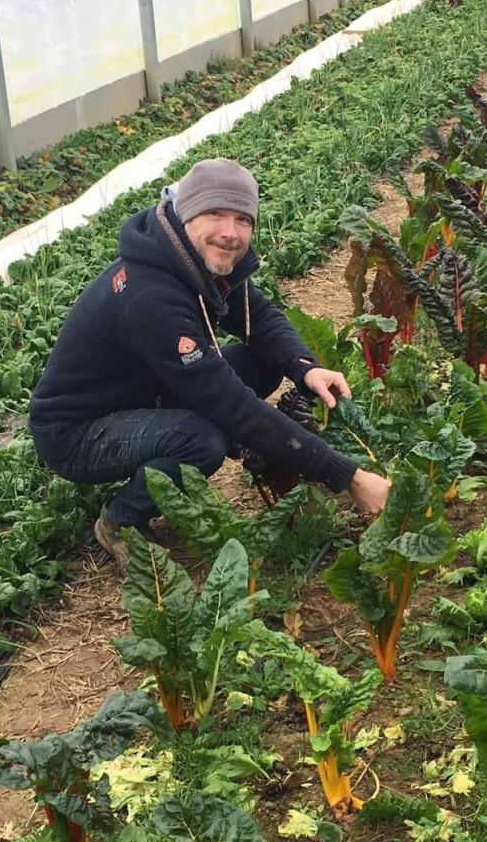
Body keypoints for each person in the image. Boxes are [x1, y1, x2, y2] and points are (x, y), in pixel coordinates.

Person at [29, 157, 391, 570]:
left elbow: (260, 315)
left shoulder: (190, 257)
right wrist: (350, 477)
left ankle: (161, 452)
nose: (230, 233)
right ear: (186, 214)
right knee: (202, 442)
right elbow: (233, 406)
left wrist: (305, 366)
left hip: (143, 394)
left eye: (242, 219)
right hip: (77, 432)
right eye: (214, 214)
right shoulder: (151, 298)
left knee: (264, 361)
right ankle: (120, 519)